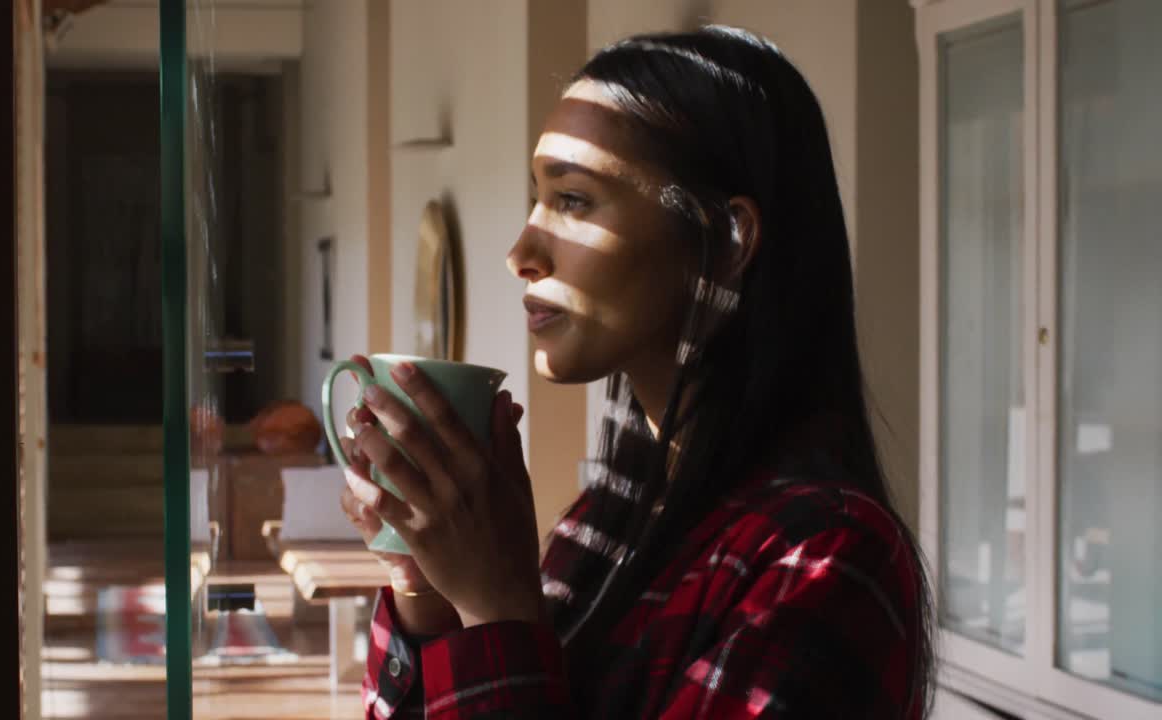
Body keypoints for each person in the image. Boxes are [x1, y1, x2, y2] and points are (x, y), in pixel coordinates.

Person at [337, 26, 934, 719]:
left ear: (729, 241)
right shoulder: (607, 521)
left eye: (574, 201)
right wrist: (430, 595)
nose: (522, 251)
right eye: (539, 198)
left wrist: (497, 610)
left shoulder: (825, 558)